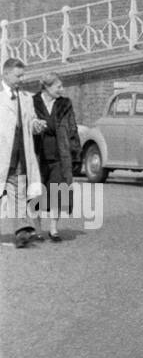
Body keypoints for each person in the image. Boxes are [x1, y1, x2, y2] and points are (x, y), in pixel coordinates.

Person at [0, 59, 44, 250]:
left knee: (17, 191)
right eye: (18, 75)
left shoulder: (26, 98)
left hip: (19, 155)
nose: (21, 79)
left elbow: (31, 121)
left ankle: (21, 232)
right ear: (6, 74)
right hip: (1, 155)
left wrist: (36, 125)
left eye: (22, 75)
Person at [31, 73, 80, 242]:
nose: (62, 89)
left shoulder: (65, 104)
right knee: (36, 193)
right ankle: (37, 230)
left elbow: (72, 129)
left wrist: (75, 154)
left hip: (60, 155)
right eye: (58, 87)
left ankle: (53, 229)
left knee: (58, 192)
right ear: (47, 87)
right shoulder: (32, 102)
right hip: (37, 156)